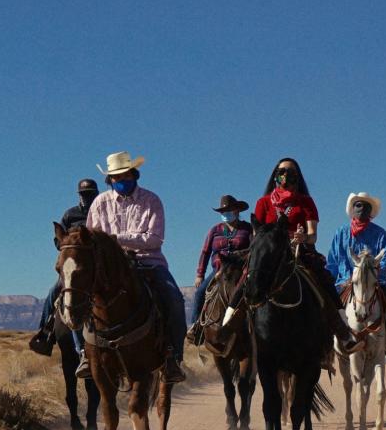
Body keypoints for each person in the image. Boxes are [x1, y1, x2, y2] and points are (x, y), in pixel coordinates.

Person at [79, 150, 186, 384]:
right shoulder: (99, 203)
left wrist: (116, 238)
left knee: (174, 299)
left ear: (134, 174)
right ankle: (85, 354)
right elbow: (90, 238)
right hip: (107, 266)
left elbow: (155, 238)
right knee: (77, 296)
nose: (121, 181)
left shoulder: (152, 200)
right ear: (110, 180)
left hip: (148, 261)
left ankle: (172, 357)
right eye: (116, 177)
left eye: (125, 176)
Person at [253, 157, 361, 353]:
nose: (286, 175)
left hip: (299, 251)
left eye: (290, 172)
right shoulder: (263, 203)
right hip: (270, 254)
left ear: (297, 176)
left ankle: (343, 331)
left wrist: (302, 237)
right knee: (246, 277)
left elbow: (313, 235)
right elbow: (257, 234)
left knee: (323, 280)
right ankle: (230, 324)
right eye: (282, 171)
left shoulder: (306, 202)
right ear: (276, 175)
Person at [28, 178, 99, 356]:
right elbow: (57, 240)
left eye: (90, 194)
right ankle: (44, 333)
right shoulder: (70, 215)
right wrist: (67, 247)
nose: (86, 198)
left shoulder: (102, 213)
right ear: (79, 196)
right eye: (84, 194)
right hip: (73, 267)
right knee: (54, 291)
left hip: (95, 267)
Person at [186, 194, 252, 343]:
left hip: (240, 271)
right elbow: (205, 252)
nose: (226, 214)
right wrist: (199, 274)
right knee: (200, 292)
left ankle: (256, 326)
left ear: (237, 211)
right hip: (218, 270)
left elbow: (252, 249)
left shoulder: (247, 229)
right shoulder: (214, 230)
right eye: (223, 211)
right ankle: (196, 327)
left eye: (229, 210)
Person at [325, 192, 386, 304]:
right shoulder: (341, 232)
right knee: (326, 306)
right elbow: (332, 263)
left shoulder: (380, 233)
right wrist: (331, 282)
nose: (362, 208)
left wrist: (375, 273)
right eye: (358, 205)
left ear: (370, 211)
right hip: (344, 283)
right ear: (352, 209)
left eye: (366, 206)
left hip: (375, 282)